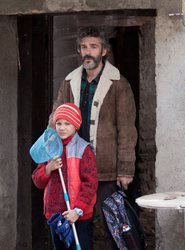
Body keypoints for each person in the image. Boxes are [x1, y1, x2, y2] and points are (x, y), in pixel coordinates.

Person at [48, 27, 137, 249]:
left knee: (115, 225)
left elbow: (127, 128)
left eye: (94, 47)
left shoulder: (118, 83)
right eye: (84, 47)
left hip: (106, 167)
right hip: (74, 164)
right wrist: (49, 152)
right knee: (79, 222)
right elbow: (55, 118)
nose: (88, 52)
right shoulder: (69, 82)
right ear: (79, 50)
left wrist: (126, 169)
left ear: (104, 51)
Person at [32, 103, 98, 250]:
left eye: (67, 124)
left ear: (76, 125)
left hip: (76, 215)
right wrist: (48, 169)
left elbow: (90, 184)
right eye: (59, 123)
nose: (62, 128)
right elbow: (37, 180)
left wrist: (78, 210)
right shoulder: (49, 148)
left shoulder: (84, 149)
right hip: (55, 213)